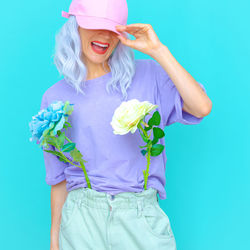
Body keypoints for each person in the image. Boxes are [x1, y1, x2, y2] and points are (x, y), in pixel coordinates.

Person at [40, 0, 212, 249]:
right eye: (94, 25)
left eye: (113, 29)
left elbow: (201, 107)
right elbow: (59, 178)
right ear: (74, 26)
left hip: (140, 217)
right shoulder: (54, 98)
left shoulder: (148, 76)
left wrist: (158, 50)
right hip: (80, 221)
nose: (104, 36)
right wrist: (55, 241)